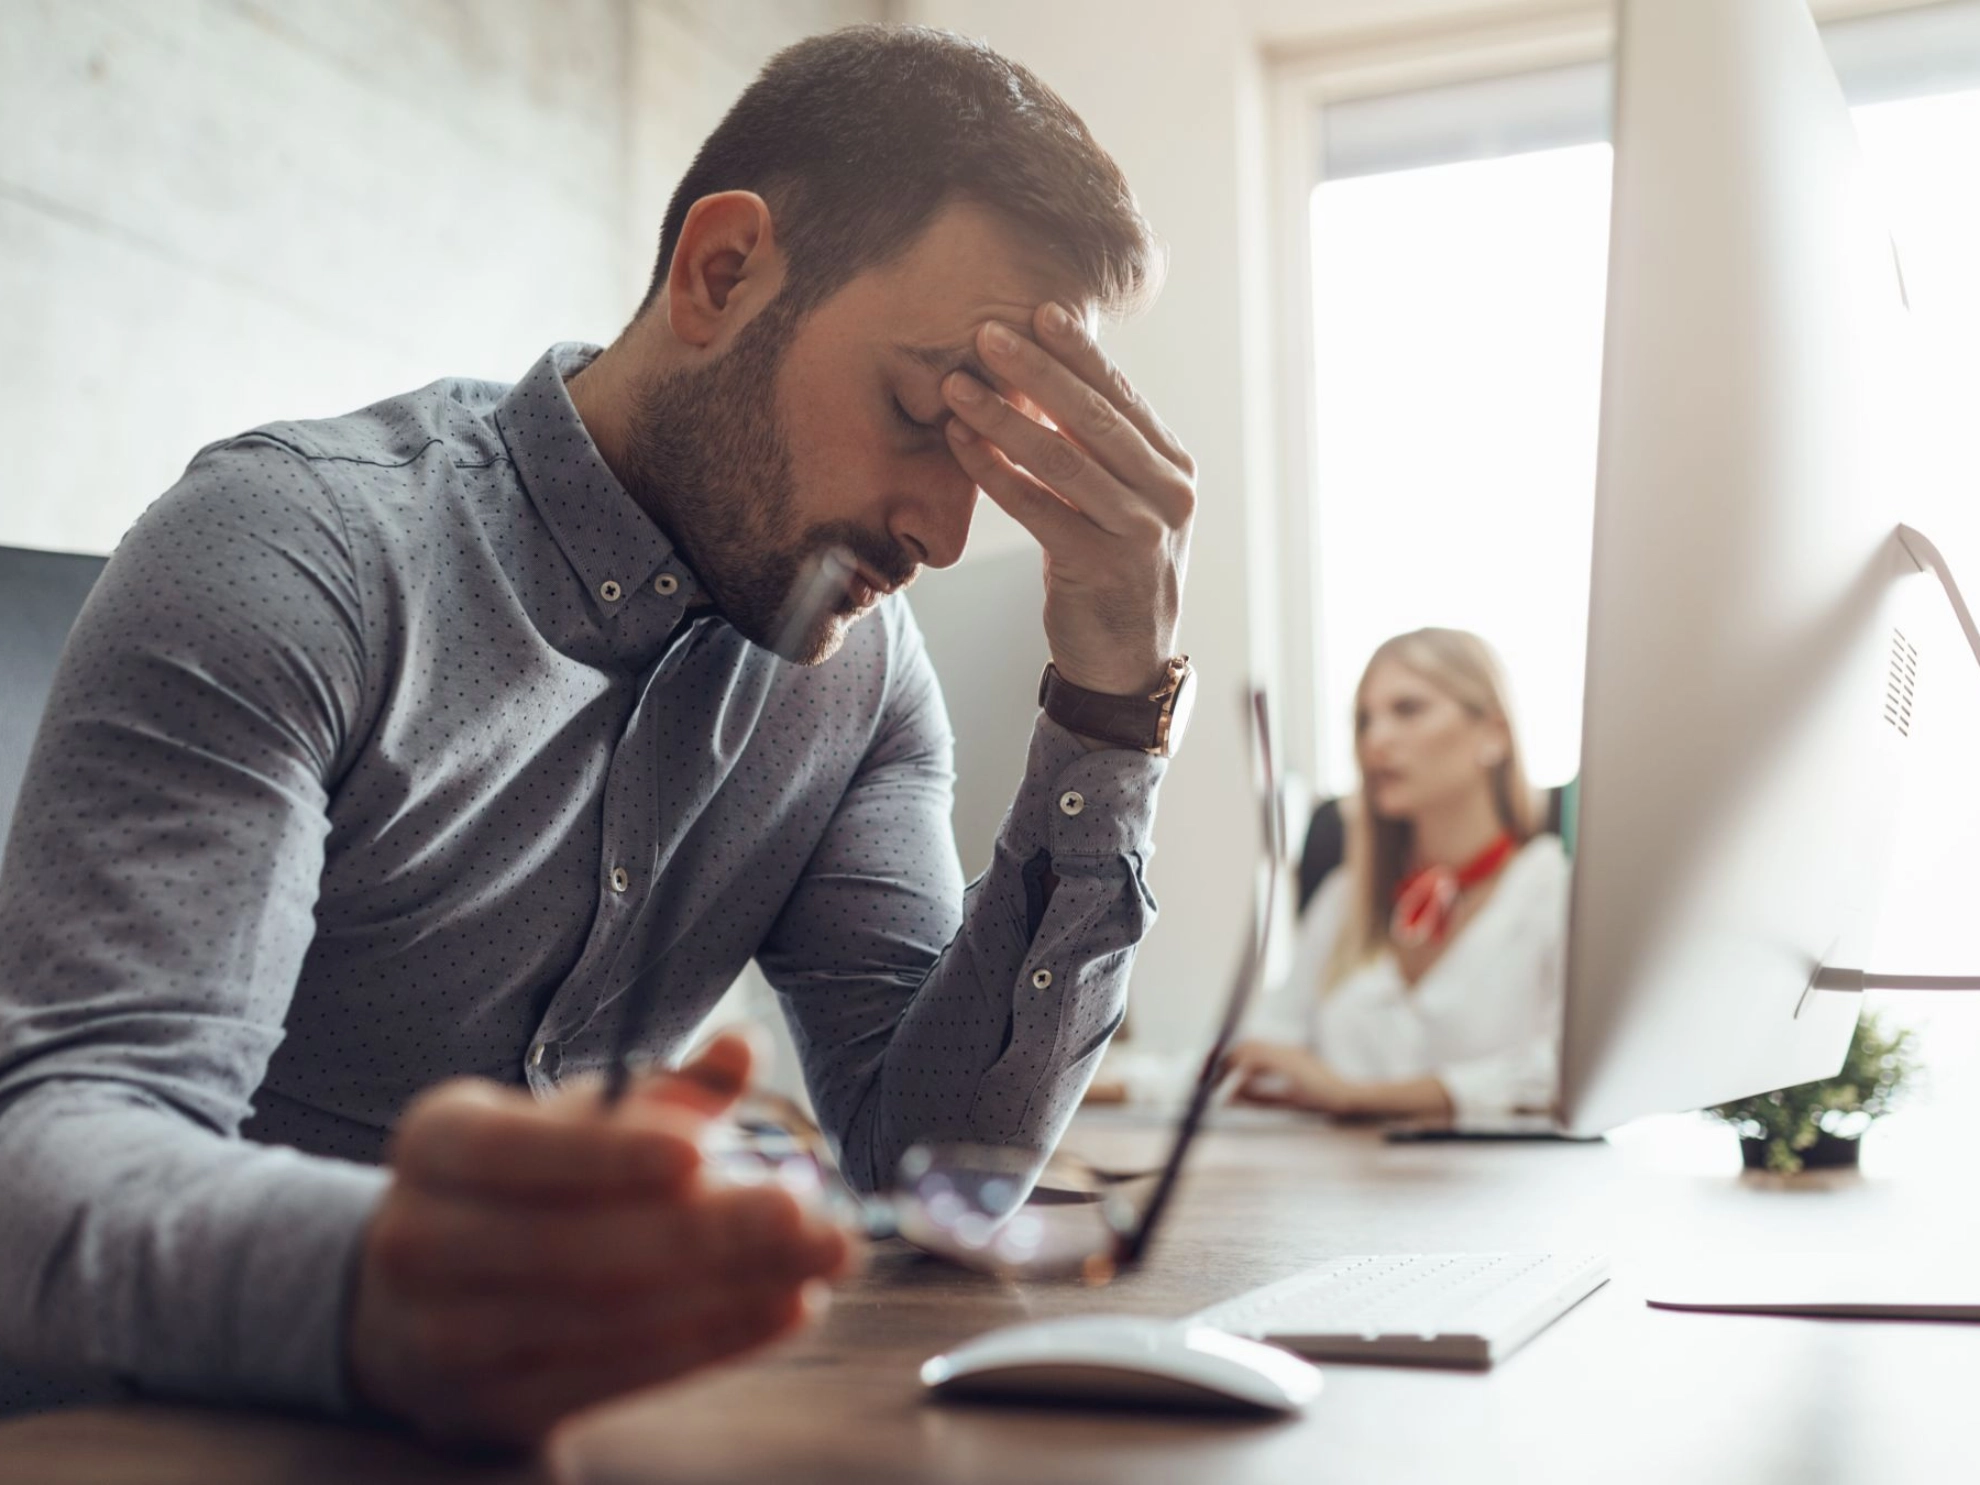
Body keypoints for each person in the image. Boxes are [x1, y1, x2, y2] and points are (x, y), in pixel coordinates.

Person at [0, 26, 1198, 1447]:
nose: (945, 532)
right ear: (722, 273)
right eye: (920, 413)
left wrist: (1113, 705)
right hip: (159, 1438)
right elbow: (50, 1153)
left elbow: (934, 1161)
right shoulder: (299, 550)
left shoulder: (858, 674)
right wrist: (382, 1282)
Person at [1223, 629, 1568, 1123]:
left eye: (1408, 709)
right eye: (1365, 720)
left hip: (1502, 1193)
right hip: (1344, 1191)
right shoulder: (1347, 896)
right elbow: (1263, 1048)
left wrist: (1357, 1098)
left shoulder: (1555, 891)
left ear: (1493, 733)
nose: (1375, 740)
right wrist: (1112, 1081)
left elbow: (1565, 1071)